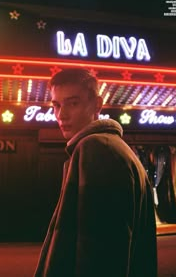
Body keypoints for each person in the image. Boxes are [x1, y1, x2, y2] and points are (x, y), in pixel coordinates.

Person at [33, 68, 157, 277]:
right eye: (56, 105)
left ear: (97, 104)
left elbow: (102, 254)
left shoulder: (98, 149)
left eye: (73, 103)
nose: (61, 115)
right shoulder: (111, 147)